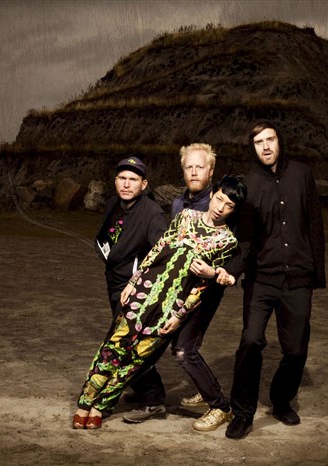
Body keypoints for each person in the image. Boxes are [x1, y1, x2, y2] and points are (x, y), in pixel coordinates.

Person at [72, 175, 246, 430]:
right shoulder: (186, 216)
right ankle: (85, 402)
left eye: (229, 205)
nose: (221, 207)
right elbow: (157, 249)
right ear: (212, 195)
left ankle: (101, 405)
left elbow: (202, 286)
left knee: (137, 359)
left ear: (234, 210)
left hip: (172, 306)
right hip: (145, 291)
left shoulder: (227, 241)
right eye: (219, 199)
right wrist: (133, 281)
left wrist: (179, 315)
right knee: (113, 347)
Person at [222, 121, 326, 439]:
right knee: (251, 340)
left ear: (280, 141)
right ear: (252, 148)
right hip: (261, 280)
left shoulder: (302, 174)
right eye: (259, 142)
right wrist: (233, 270)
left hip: (298, 278)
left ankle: (281, 401)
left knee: (295, 348)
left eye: (270, 139)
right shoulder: (249, 185)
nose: (266, 146)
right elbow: (245, 238)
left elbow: (314, 224)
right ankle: (243, 413)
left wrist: (316, 273)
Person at [122, 143, 236, 431]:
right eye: (189, 167)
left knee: (184, 348)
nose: (194, 172)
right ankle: (202, 389)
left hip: (203, 289)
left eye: (200, 167)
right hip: (176, 287)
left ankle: (218, 405)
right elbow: (168, 246)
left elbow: (234, 247)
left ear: (211, 171)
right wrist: (142, 281)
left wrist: (220, 274)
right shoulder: (179, 205)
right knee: (176, 344)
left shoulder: (222, 202)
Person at [94, 156, 168, 413]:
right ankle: (147, 389)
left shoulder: (152, 214)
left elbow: (162, 254)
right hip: (113, 281)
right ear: (115, 181)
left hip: (134, 288)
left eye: (133, 179)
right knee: (127, 341)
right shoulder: (113, 204)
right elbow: (109, 235)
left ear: (143, 184)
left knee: (121, 342)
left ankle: (151, 398)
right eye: (122, 178)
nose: (126, 184)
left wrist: (139, 281)